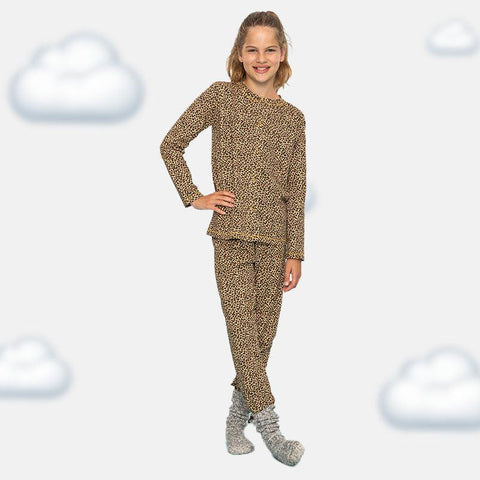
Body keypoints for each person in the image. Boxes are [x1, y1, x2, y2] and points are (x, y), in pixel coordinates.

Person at [160, 10, 306, 467]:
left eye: (269, 49)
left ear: (281, 54)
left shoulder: (294, 118)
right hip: (231, 235)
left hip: (277, 242)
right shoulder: (220, 96)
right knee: (243, 334)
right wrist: (194, 196)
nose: (261, 58)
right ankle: (272, 430)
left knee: (261, 338)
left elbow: (296, 188)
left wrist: (296, 251)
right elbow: (171, 143)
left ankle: (234, 420)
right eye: (252, 49)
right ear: (238, 54)